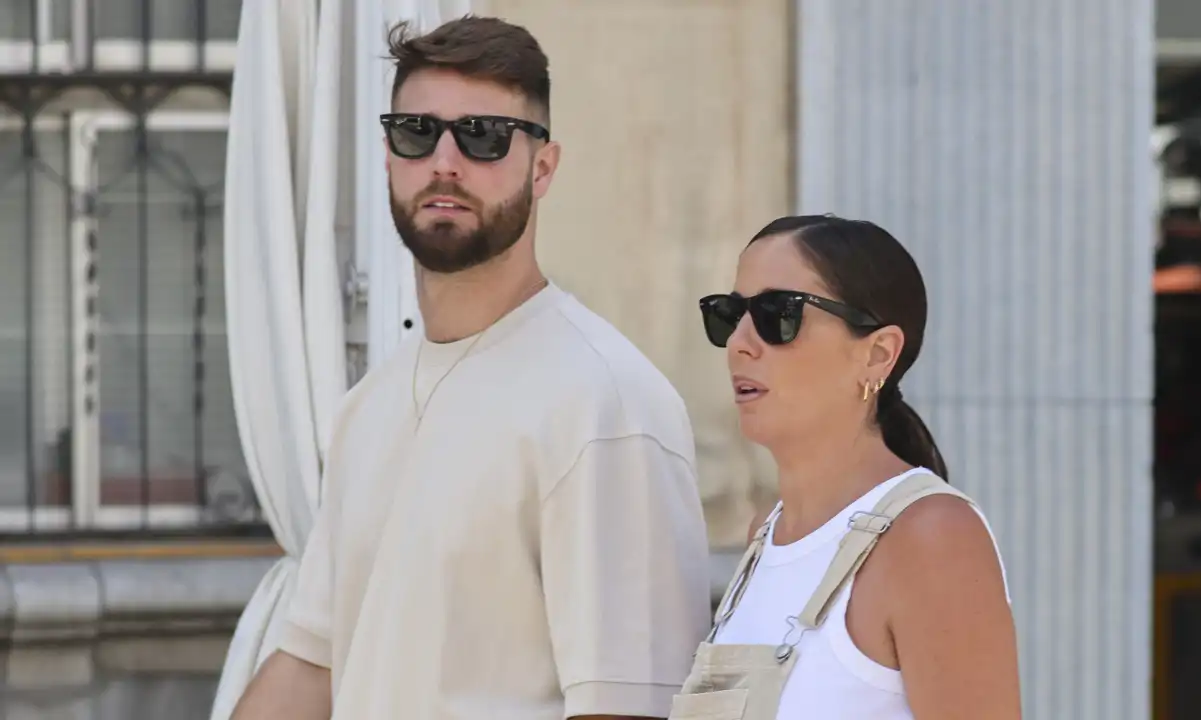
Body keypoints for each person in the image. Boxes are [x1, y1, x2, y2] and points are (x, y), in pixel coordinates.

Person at [230, 15, 711, 720]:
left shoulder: (605, 403)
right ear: (388, 154)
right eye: (417, 133)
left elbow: (631, 703)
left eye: (483, 137)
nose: (445, 163)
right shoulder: (367, 410)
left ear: (542, 167)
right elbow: (311, 665)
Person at [672, 215, 1020, 720]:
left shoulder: (930, 538)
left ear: (878, 354)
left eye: (778, 314)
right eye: (730, 314)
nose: (740, 343)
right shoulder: (764, 536)